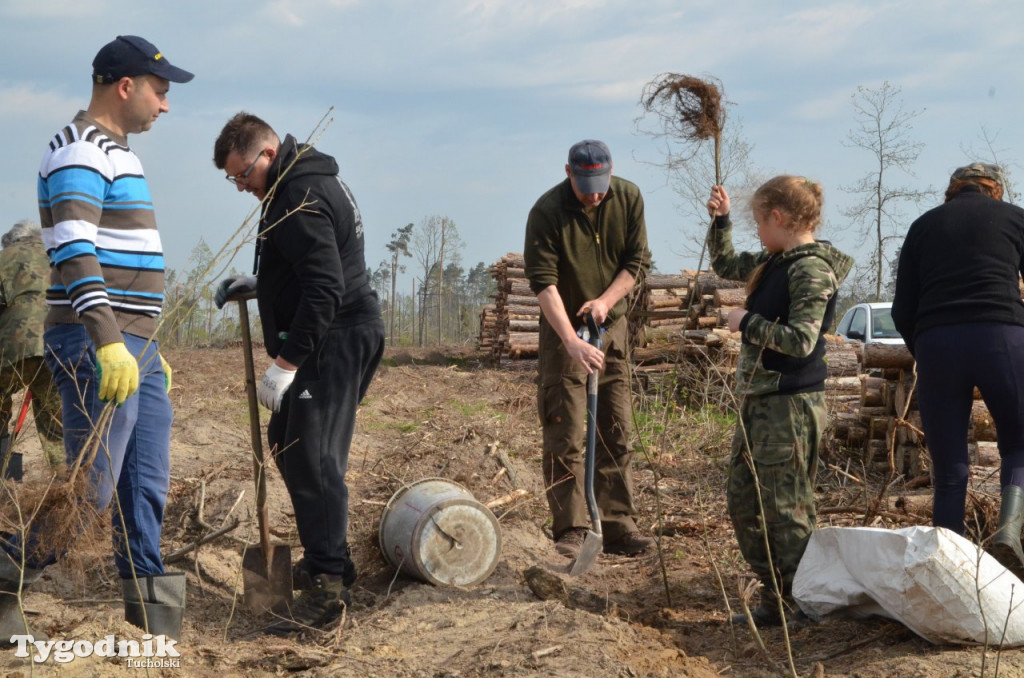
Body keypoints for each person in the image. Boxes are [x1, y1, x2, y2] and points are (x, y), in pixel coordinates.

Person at [0, 35, 193, 644]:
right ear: (125, 85)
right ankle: (4, 575)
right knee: (90, 490)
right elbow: (75, 248)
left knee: (145, 484)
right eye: (160, 92)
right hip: (95, 344)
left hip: (136, 347)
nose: (165, 105)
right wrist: (109, 339)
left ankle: (151, 619)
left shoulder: (117, 152)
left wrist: (145, 343)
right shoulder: (79, 150)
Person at [212, 112, 385, 637]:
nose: (241, 187)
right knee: (286, 441)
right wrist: (262, 284)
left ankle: (330, 589)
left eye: (243, 174)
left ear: (267, 154)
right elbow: (307, 268)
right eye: (232, 180)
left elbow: (327, 288)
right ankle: (325, 556)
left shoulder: (298, 195)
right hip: (326, 333)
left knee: (313, 457)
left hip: (336, 336)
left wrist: (285, 366)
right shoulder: (294, 184)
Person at [705, 177, 853, 627]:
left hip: (788, 404)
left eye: (756, 222)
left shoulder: (809, 270)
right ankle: (777, 595)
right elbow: (727, 261)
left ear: (778, 217)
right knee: (744, 501)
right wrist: (721, 219)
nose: (756, 233)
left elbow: (802, 340)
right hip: (762, 400)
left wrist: (745, 321)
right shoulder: (778, 261)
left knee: (786, 509)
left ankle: (802, 603)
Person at [524, 139, 655, 561]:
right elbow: (543, 284)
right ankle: (572, 528)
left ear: (611, 172)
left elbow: (636, 262)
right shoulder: (546, 212)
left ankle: (617, 525)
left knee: (616, 427)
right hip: (565, 331)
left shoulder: (629, 198)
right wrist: (570, 341)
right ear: (568, 173)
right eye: (586, 186)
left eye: (600, 185)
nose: (594, 194)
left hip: (609, 327)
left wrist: (605, 302)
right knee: (566, 429)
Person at [892, 163, 1024, 579]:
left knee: (949, 470)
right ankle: (1010, 530)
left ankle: (950, 573)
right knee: (1019, 446)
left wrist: (927, 349)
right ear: (996, 191)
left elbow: (901, 309)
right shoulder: (1016, 219)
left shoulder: (923, 226)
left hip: (937, 342)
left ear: (951, 191)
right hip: (1002, 337)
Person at [0, 220, 64, 480]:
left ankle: (3, 485)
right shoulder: (59, 257)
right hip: (58, 349)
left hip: (10, 350)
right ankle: (67, 490)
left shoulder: (5, 259)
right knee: (57, 425)